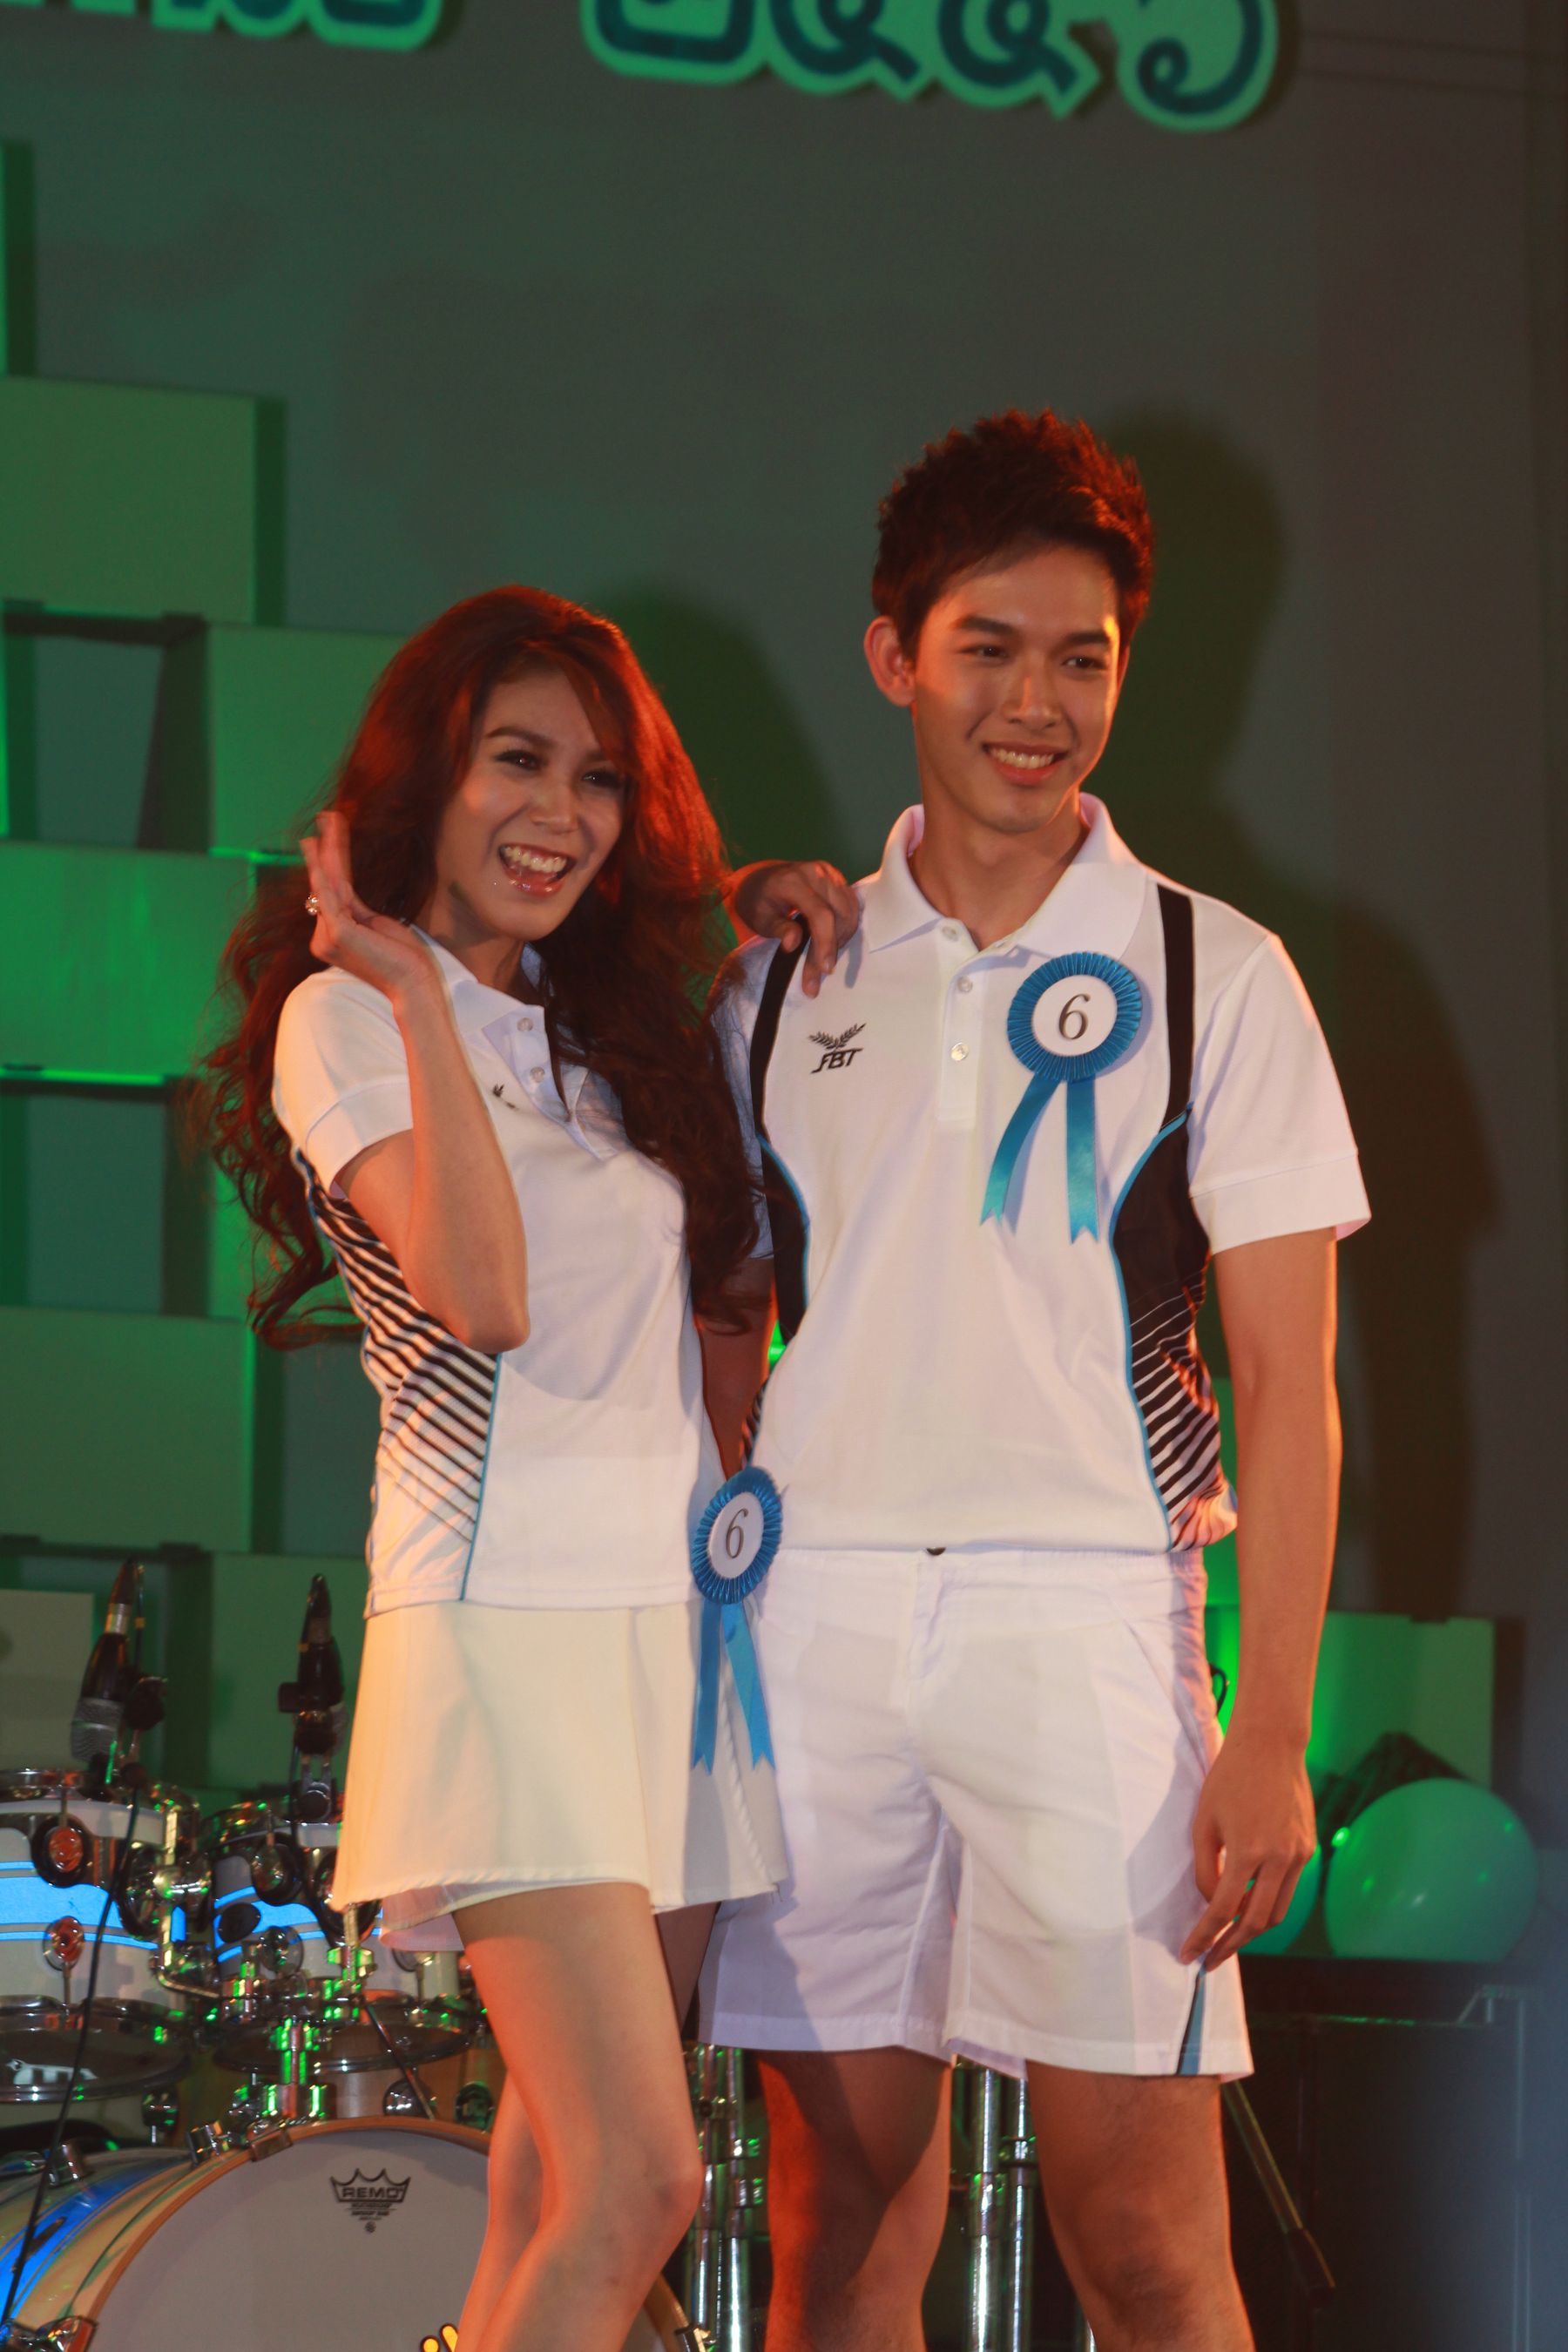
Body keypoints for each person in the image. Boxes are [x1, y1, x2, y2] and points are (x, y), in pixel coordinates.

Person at [698, 412, 1369, 2352]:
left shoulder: (1219, 974)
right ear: (892, 654)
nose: (1038, 703)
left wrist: (1271, 1725)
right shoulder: (780, 980)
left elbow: (1289, 1385)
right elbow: (724, 1318)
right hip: (817, 1630)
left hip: (1090, 1627)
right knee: (836, 2237)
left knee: (1146, 2249)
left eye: (1085, 657)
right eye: (987, 648)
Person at [196, 585, 857, 2352]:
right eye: (517, 762)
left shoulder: (597, 1035)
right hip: (506, 1637)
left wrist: (748, 934)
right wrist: (418, 988)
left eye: (598, 778)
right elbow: (481, 1298)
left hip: (670, 1641)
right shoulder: (345, 1021)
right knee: (641, 2182)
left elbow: (717, 1291)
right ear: (428, 776)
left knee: (554, 2178)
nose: (560, 812)